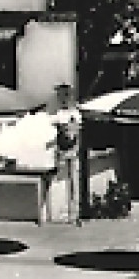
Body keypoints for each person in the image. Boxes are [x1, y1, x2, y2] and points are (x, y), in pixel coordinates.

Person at [48, 83, 82, 224]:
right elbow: (54, 131)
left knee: (74, 182)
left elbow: (77, 132)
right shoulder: (56, 114)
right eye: (61, 95)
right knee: (60, 182)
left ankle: (74, 213)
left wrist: (76, 144)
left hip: (72, 151)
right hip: (61, 151)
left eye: (66, 95)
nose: (64, 99)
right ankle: (60, 212)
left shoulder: (75, 113)